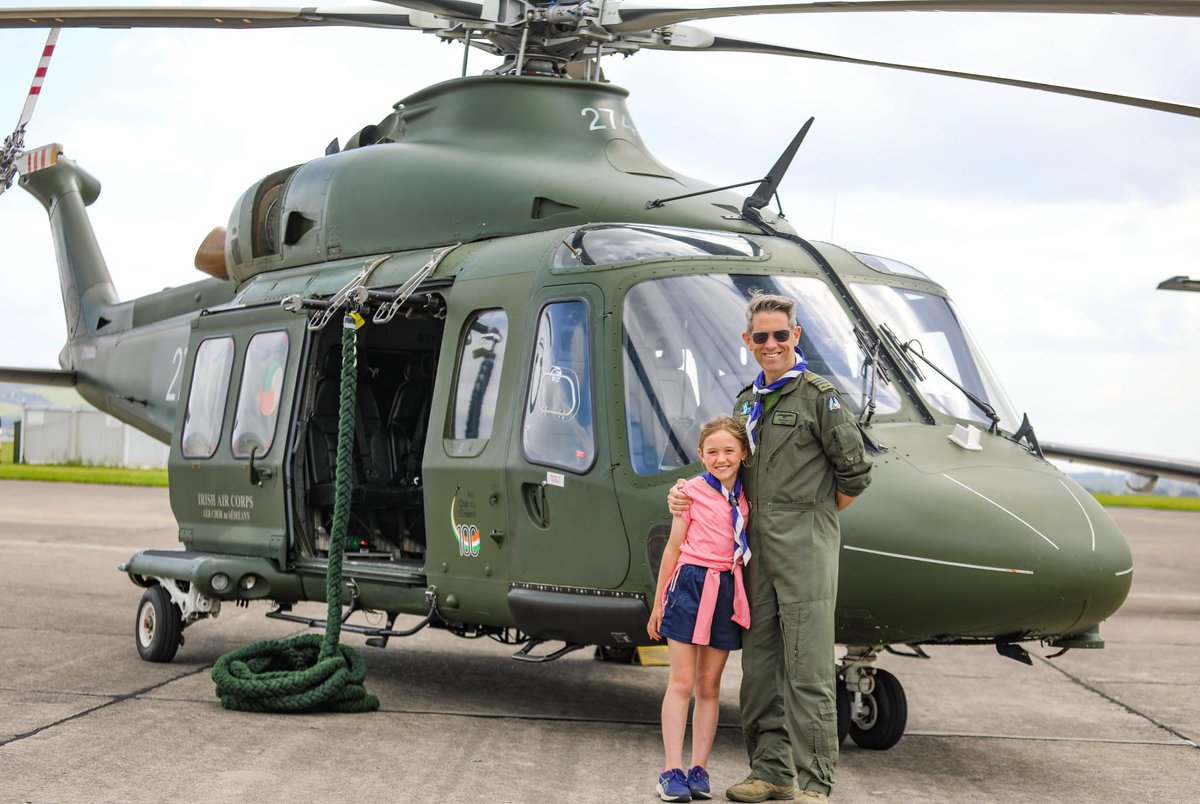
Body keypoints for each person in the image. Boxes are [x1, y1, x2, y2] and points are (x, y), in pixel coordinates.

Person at [668, 292, 872, 803]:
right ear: (748, 342)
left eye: (781, 334)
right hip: (752, 557)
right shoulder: (746, 403)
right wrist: (682, 494)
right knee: (760, 670)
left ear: (795, 336)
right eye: (762, 336)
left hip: (804, 550)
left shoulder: (819, 397)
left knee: (807, 669)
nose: (772, 344)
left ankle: (815, 782)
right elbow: (727, 472)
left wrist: (812, 518)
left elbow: (855, 474)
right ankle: (772, 771)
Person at [649, 416, 753, 802]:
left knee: (709, 686)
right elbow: (673, 548)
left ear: (743, 453)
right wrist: (659, 603)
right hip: (690, 585)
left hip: (727, 588)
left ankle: (699, 769)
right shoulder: (689, 492)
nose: (721, 458)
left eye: (729, 451)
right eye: (712, 452)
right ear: (700, 455)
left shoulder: (747, 495)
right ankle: (671, 770)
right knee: (682, 682)